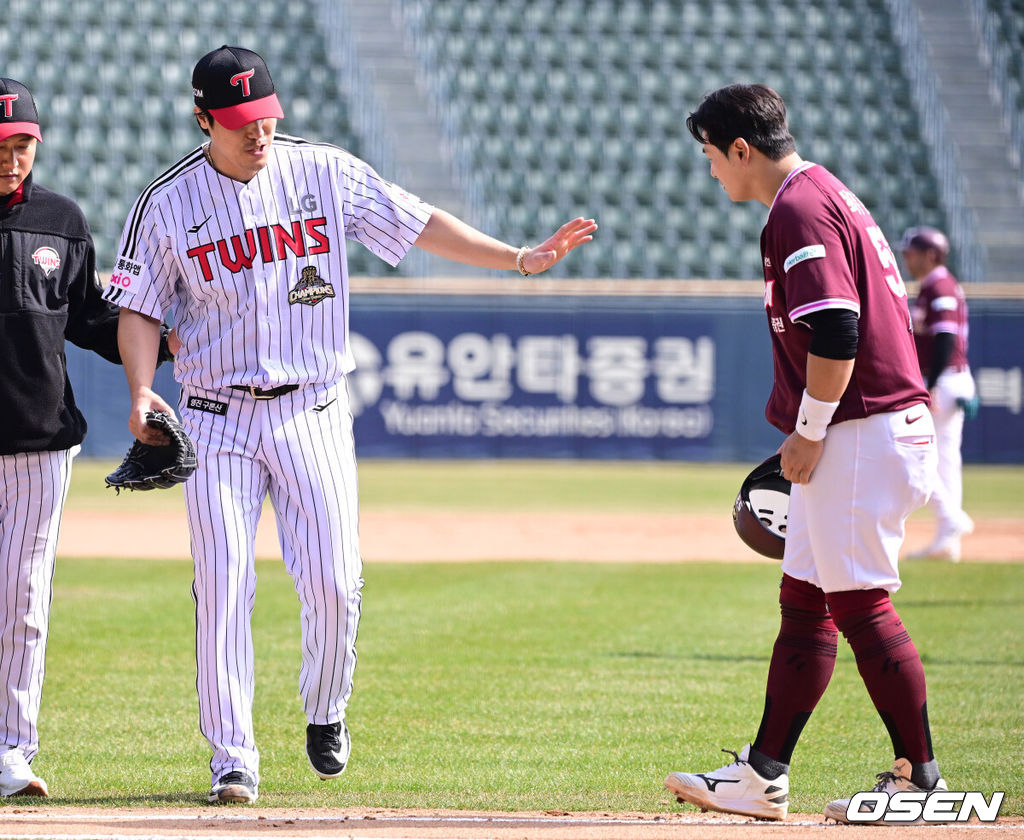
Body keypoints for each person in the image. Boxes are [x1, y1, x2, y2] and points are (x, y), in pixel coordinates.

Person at [102, 45, 595, 805]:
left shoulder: (324, 171)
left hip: (313, 406)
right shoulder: (166, 203)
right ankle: (233, 757)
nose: (257, 132)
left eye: (265, 116)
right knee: (223, 584)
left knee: (334, 580)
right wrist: (141, 391)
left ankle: (325, 704)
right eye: (238, 121)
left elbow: (417, 222)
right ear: (203, 119)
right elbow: (137, 308)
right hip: (215, 412)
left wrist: (519, 259)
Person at [663, 84, 943, 824]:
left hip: (861, 426)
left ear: (741, 149)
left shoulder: (799, 207)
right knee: (806, 601)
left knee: (858, 603)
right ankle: (762, 776)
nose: (710, 169)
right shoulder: (819, 195)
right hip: (865, 425)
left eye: (710, 154)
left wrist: (811, 427)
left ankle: (920, 782)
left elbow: (839, 329)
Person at [0, 77, 134, 798]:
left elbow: (90, 319)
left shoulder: (61, 219)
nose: (11, 157)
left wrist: (165, 340)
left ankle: (11, 752)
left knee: (22, 603)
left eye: (22, 144)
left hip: (39, 444)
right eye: (1, 145)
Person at [900, 226, 976, 562]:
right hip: (949, 379)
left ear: (931, 254)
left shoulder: (939, 285)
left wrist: (929, 384)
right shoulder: (935, 285)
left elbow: (946, 337)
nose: (907, 258)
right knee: (945, 461)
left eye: (912, 252)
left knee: (913, 453)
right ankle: (948, 541)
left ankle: (951, 518)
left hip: (942, 380)